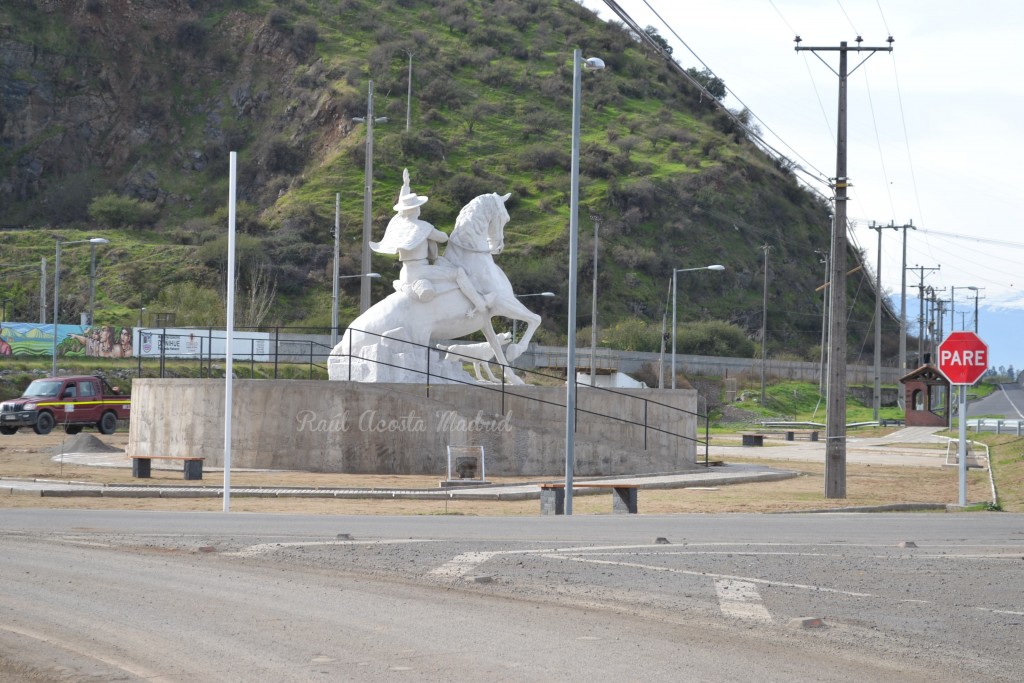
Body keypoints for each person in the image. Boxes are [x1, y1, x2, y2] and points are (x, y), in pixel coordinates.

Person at [370, 168, 492, 316]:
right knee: (459, 273)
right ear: (417, 209)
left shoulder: (398, 224)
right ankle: (480, 304)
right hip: (421, 271)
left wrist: (405, 187)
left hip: (405, 272)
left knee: (442, 262)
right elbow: (443, 238)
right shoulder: (423, 227)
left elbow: (400, 213)